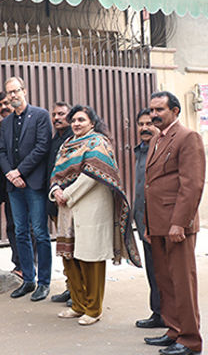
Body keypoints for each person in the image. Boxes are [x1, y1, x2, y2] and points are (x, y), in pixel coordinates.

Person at [49, 105, 141, 326]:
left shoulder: (97, 142)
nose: (76, 124)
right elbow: (55, 172)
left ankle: (93, 308)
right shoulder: (66, 144)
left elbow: (91, 175)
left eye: (81, 119)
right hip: (67, 209)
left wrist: (67, 194)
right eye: (74, 120)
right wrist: (55, 191)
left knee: (91, 259)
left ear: (92, 122)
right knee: (70, 258)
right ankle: (78, 305)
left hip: (90, 207)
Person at [143, 91, 205, 355]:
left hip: (176, 225)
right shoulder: (157, 138)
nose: (154, 114)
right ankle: (174, 331)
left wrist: (179, 223)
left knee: (182, 282)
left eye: (160, 110)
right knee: (165, 281)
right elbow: (152, 184)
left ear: (175, 111)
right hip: (157, 224)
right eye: (152, 110)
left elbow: (191, 185)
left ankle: (190, 340)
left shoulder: (188, 137)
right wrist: (148, 224)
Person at [0, 76, 52, 301]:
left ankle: (44, 282)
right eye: (9, 92)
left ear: (25, 91)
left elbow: (42, 147)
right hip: (14, 186)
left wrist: (19, 171)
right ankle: (28, 279)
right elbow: (1, 151)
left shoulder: (40, 116)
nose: (13, 95)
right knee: (20, 233)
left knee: (40, 233)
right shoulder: (7, 122)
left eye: (16, 91)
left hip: (34, 184)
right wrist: (10, 173)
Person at [133, 108, 165, 330]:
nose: (144, 128)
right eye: (141, 124)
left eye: (149, 124)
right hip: (144, 222)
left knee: (165, 272)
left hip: (161, 222)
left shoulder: (163, 150)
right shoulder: (141, 151)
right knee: (153, 271)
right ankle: (158, 313)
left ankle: (170, 317)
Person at [47, 101, 74, 304]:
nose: (57, 118)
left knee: (75, 248)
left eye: (62, 114)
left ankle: (79, 292)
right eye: (54, 115)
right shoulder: (53, 139)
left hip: (71, 202)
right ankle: (70, 286)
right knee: (64, 249)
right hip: (54, 201)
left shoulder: (75, 140)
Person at [0, 92, 21, 278]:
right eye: (0, 104)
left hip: (27, 183)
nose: (4, 107)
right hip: (8, 184)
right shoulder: (0, 127)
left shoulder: (26, 123)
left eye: (7, 103)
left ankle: (29, 265)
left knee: (28, 227)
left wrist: (20, 174)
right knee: (12, 225)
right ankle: (18, 264)